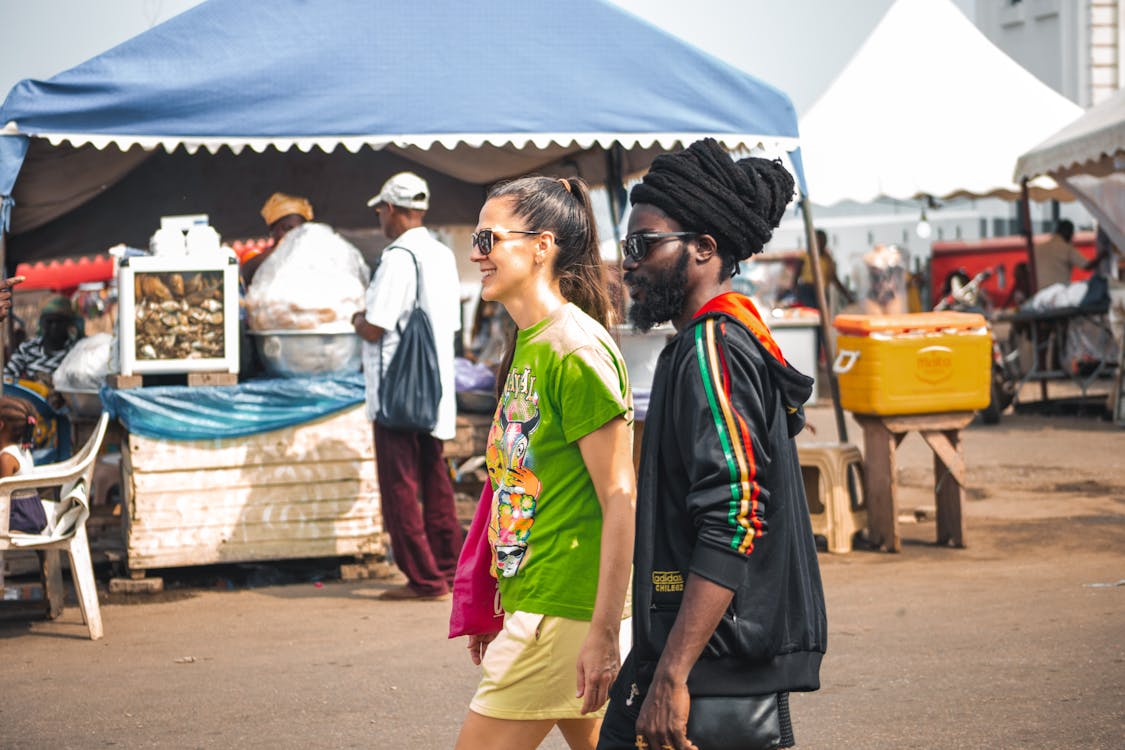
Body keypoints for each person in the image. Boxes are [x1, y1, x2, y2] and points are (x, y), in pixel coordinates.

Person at [599, 139, 826, 750]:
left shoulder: (715, 347)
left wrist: (673, 675)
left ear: (704, 248)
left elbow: (733, 517)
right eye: (627, 248)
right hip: (700, 652)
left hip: (714, 668)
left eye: (644, 245)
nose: (629, 264)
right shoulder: (711, 340)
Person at [454, 176, 635, 750]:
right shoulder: (532, 341)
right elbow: (524, 489)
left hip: (564, 614)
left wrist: (605, 634)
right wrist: (499, 592)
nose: (476, 252)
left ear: (542, 245)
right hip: (541, 601)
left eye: (488, 238)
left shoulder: (573, 349)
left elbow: (620, 497)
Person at [351, 172, 463, 601]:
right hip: (435, 388)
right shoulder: (441, 254)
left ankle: (424, 578)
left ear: (393, 210)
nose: (380, 216)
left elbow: (376, 327)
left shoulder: (398, 257)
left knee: (399, 486)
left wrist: (355, 320)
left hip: (398, 391)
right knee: (436, 482)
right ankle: (450, 569)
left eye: (381, 208)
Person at [4, 295, 82, 386]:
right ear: (41, 323)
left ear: (69, 324)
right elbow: (7, 377)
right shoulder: (27, 348)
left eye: (59, 321)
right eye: (49, 321)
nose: (54, 326)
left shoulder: (77, 351)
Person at [242, 192, 315, 286]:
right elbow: (244, 273)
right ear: (272, 230)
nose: (293, 234)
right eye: (287, 229)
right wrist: (278, 251)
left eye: (298, 230)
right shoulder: (260, 259)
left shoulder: (312, 256)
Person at [1, 395, 46, 534]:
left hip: (18, 519)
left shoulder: (7, 458)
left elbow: (1, 496)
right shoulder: (22, 449)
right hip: (33, 514)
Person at [793, 229, 854, 309]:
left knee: (823, 313)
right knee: (812, 312)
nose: (821, 243)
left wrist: (847, 296)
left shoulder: (828, 259)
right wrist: (796, 293)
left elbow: (834, 278)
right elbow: (795, 277)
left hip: (821, 291)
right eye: (818, 240)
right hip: (807, 290)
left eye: (823, 240)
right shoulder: (805, 256)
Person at [1032, 219, 1098, 291]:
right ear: (1068, 233)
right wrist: (1103, 255)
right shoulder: (1066, 249)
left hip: (1038, 294)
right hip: (1058, 295)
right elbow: (1087, 266)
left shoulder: (1037, 248)